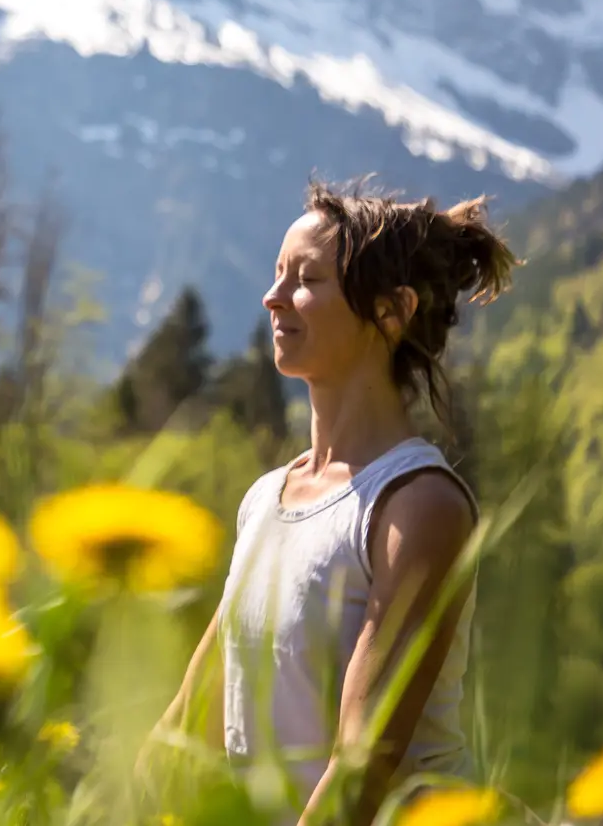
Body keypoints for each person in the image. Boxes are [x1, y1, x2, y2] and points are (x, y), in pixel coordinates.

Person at [143, 179, 518, 826]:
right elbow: (188, 721)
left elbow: (363, 768)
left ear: (391, 311)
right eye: (277, 273)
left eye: (305, 279)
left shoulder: (417, 506)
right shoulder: (266, 500)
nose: (272, 296)